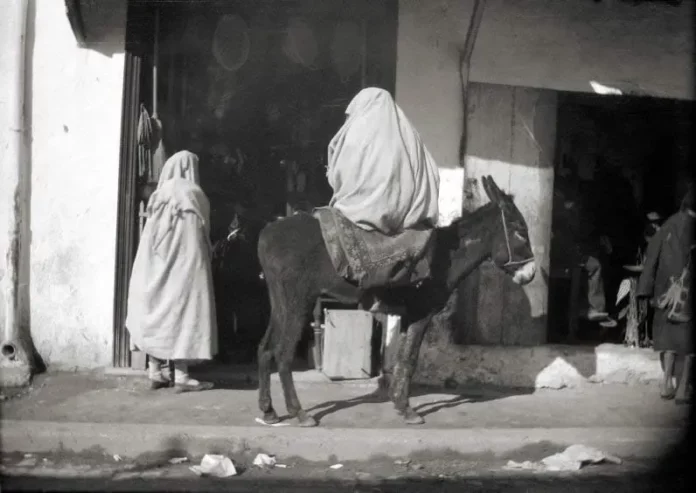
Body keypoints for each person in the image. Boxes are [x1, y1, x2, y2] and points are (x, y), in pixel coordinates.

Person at [127, 150, 217, 392]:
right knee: (183, 314)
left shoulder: (159, 194)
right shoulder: (194, 194)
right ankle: (182, 375)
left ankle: (155, 371)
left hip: (155, 266)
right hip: (184, 268)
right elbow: (200, 235)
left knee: (157, 311)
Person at [326, 87, 440, 235]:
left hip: (352, 214)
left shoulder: (357, 132)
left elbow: (338, 174)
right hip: (406, 219)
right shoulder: (410, 135)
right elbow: (431, 176)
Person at [636, 188, 694, 404]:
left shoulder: (667, 225)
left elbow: (651, 258)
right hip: (687, 292)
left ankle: (665, 384)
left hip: (664, 291)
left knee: (669, 336)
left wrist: (644, 289)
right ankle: (683, 389)